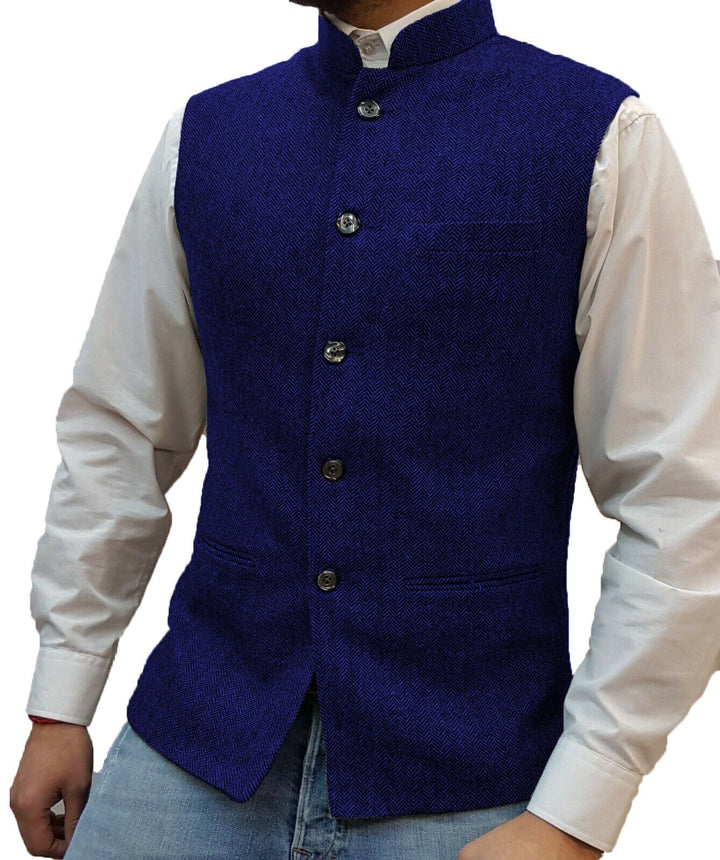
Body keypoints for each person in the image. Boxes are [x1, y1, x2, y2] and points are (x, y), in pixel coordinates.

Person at [9, 0, 720, 857]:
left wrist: (579, 806)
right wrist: (62, 698)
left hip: (474, 780)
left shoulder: (600, 135)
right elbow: (119, 431)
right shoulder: (208, 136)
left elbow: (685, 494)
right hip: (197, 742)